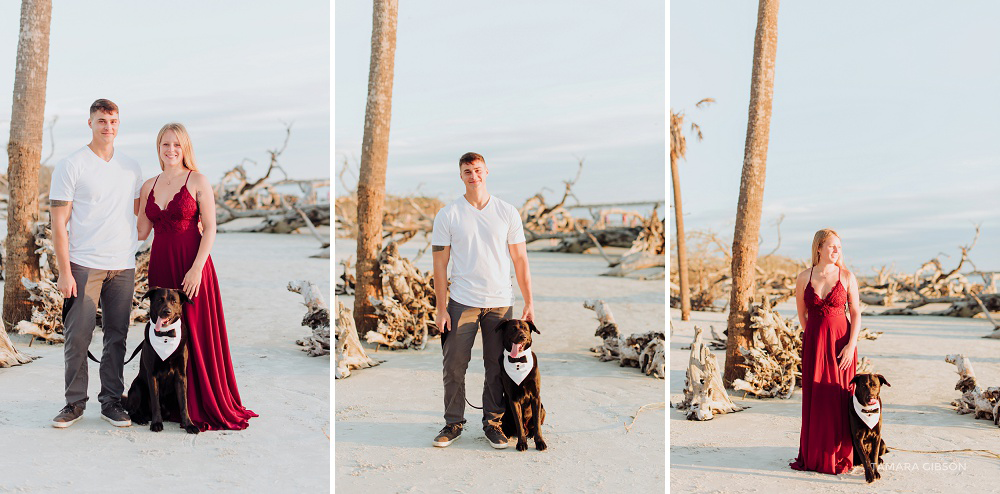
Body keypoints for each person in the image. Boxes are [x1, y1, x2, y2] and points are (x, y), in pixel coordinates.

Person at [136, 122, 257, 431]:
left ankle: (201, 403)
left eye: (177, 144)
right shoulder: (148, 185)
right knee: (163, 333)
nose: (171, 149)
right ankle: (168, 405)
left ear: (185, 148)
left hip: (193, 265)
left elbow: (212, 228)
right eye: (165, 144)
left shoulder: (198, 180)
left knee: (197, 334)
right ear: (158, 147)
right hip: (161, 266)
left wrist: (196, 268)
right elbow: (140, 232)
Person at [430, 152, 535, 449]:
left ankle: (493, 422)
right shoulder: (448, 214)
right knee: (454, 364)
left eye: (477, 170)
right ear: (461, 175)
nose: (473, 175)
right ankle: (453, 423)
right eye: (467, 171)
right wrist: (441, 308)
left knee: (497, 365)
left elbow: (520, 260)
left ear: (487, 171)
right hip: (462, 301)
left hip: (501, 303)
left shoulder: (507, 212)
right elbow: (440, 266)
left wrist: (529, 302)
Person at [50, 99, 144, 428]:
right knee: (78, 336)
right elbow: (58, 224)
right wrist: (64, 271)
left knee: (117, 335)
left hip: (122, 264)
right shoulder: (71, 165)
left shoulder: (131, 166)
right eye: (102, 120)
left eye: (114, 121)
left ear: (120, 124)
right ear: (89, 123)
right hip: (82, 264)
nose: (108, 127)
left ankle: (111, 402)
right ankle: (74, 404)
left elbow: (137, 216)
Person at [790, 228, 861, 474]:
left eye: (839, 247)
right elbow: (802, 314)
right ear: (818, 247)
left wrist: (851, 346)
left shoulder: (847, 276)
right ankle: (815, 455)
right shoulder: (803, 277)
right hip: (814, 344)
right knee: (816, 397)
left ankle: (840, 454)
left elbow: (856, 313)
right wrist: (814, 337)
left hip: (842, 344)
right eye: (831, 246)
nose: (836, 251)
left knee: (840, 397)